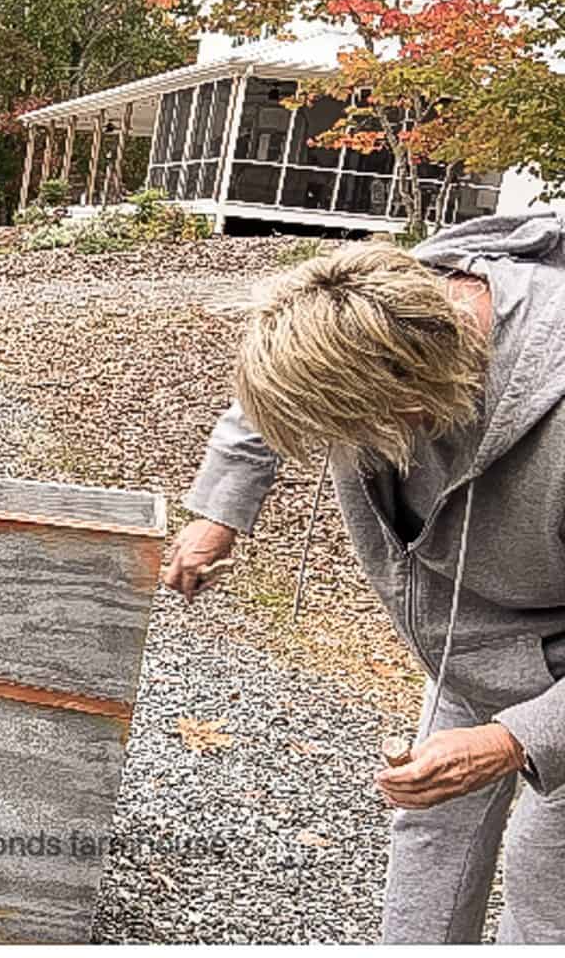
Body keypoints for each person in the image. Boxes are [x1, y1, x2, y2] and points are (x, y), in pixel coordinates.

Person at [164, 213, 565, 944]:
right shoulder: (387, 305)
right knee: (429, 836)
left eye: (343, 438)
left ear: (413, 401)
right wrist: (219, 512)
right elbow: (279, 389)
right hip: (467, 648)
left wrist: (518, 739)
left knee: (546, 889)